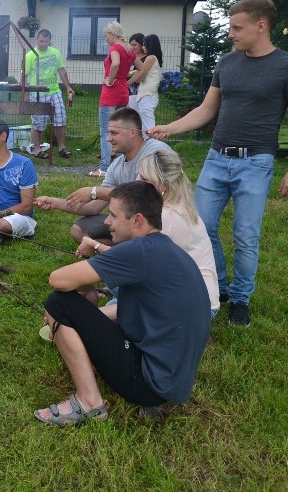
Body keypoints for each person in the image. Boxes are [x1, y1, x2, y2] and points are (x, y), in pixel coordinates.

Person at [149, 0, 288, 327]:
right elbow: (207, 110)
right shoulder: (227, 63)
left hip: (256, 162)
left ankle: (240, 299)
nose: (231, 34)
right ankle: (219, 286)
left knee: (246, 234)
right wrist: (170, 128)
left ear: (261, 26)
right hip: (217, 158)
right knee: (201, 225)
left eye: (238, 28)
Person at [34, 181, 210, 426]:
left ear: (137, 220)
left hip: (147, 383)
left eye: (113, 215)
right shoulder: (165, 248)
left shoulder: (138, 251)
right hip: (171, 382)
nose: (107, 222)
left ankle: (89, 402)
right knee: (82, 314)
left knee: (59, 304)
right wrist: (88, 316)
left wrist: (83, 295)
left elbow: (58, 280)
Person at [77, 149, 220, 317]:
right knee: (113, 304)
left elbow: (132, 262)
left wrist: (94, 245)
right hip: (174, 289)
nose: (137, 182)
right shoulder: (167, 207)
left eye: (144, 179)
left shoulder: (168, 217)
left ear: (163, 187)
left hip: (196, 304)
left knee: (96, 318)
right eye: (139, 176)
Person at [36, 107, 170, 245]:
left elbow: (145, 193)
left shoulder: (155, 152)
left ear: (133, 133)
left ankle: (127, 254)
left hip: (159, 222)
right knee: (79, 229)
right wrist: (55, 202)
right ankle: (120, 253)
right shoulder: (116, 165)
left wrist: (95, 191)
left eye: (114, 133)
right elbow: (94, 207)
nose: (108, 138)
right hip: (129, 219)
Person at [92, 22, 138, 177]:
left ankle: (104, 168)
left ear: (112, 34)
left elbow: (116, 64)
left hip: (110, 93)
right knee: (119, 130)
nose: (105, 38)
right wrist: (126, 79)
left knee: (105, 131)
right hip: (123, 92)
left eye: (106, 35)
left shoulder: (114, 48)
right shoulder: (129, 50)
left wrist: (111, 80)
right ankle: (120, 166)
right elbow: (142, 68)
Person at [24, 29, 75, 159]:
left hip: (55, 91)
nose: (43, 44)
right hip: (37, 92)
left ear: (50, 41)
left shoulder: (55, 53)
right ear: (37, 40)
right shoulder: (30, 55)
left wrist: (68, 87)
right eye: (41, 41)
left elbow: (61, 70)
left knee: (60, 119)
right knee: (38, 122)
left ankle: (62, 147)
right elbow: (24, 76)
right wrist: (25, 94)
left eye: (46, 41)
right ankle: (37, 149)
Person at [127, 34, 163, 134]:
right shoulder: (154, 58)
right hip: (145, 95)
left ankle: (153, 147)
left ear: (149, 45)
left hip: (147, 95)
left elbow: (140, 75)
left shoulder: (150, 58)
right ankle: (149, 146)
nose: (143, 47)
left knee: (149, 127)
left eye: (144, 45)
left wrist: (128, 81)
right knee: (145, 126)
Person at [127, 32, 145, 112]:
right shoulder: (130, 57)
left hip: (139, 92)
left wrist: (131, 73)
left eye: (134, 45)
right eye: (130, 45)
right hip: (127, 91)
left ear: (141, 45)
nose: (132, 47)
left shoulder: (147, 59)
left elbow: (143, 71)